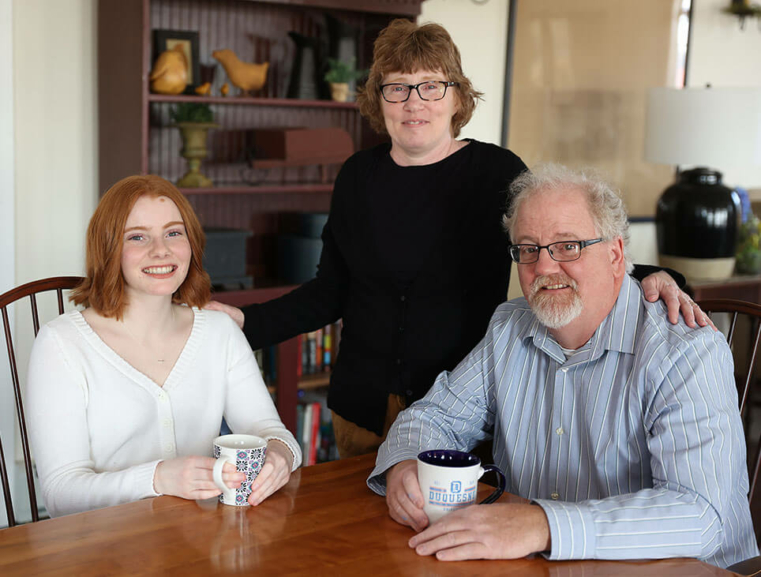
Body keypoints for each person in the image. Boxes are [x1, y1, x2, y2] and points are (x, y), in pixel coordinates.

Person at [208, 19, 709, 459]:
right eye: (397, 88)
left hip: (464, 411)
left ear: (456, 97)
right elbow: (330, 290)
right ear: (377, 98)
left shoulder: (496, 172)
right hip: (360, 407)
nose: (413, 103)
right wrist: (246, 322)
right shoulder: (357, 176)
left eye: (430, 86)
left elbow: (559, 251)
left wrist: (656, 276)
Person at [368, 164, 757, 569]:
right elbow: (434, 416)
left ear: (615, 254)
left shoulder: (686, 353)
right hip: (535, 563)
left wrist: (543, 526)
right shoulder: (509, 328)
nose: (544, 267)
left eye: (568, 246)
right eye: (528, 248)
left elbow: (699, 515)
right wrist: (404, 464)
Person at [26, 175, 301, 518]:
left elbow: (272, 433)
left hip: (201, 541)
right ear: (109, 248)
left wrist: (279, 456)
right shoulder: (60, 345)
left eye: (173, 232)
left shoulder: (219, 332)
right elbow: (60, 494)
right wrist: (159, 478)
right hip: (101, 552)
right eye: (138, 237)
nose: (161, 250)